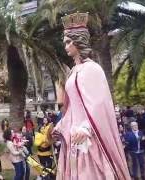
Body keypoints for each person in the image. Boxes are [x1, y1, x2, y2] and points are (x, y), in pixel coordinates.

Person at [52, 12, 130, 179]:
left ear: (79, 41)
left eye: (68, 42)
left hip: (89, 137)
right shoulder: (73, 71)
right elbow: (73, 106)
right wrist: (62, 124)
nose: (65, 46)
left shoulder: (92, 69)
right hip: (75, 136)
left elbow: (100, 104)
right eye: (65, 42)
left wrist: (86, 128)